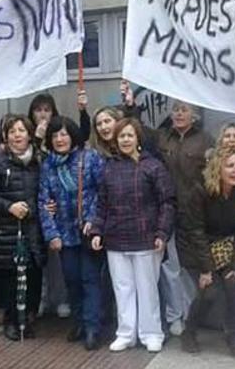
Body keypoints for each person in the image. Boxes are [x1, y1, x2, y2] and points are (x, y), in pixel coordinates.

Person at [89, 118, 176, 353]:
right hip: (115, 238)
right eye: (121, 136)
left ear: (138, 138)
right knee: (122, 287)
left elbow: (167, 202)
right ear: (115, 141)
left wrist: (162, 232)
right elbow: (102, 204)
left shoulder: (153, 166)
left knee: (147, 288)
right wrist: (97, 230)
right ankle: (126, 333)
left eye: (129, 135)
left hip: (147, 239)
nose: (125, 140)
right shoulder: (110, 168)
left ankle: (152, 333)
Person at [180, 148, 235, 359]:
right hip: (200, 249)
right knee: (210, 291)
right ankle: (189, 332)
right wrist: (206, 269)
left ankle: (233, 336)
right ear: (217, 169)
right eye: (229, 165)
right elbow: (195, 232)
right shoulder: (201, 191)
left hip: (229, 249)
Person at [38, 116, 105, 350]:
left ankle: (92, 328)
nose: (59, 139)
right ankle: (78, 322)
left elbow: (102, 192)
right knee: (72, 280)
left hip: (87, 231)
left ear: (73, 135)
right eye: (55, 135)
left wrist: (94, 221)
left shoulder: (90, 158)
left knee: (89, 279)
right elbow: (43, 200)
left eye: (64, 134)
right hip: (64, 235)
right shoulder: (48, 165)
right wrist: (51, 234)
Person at [0, 115, 45, 341]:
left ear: (30, 134)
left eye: (21, 130)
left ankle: (27, 317)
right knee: (9, 277)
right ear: (6, 137)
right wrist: (9, 207)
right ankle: (11, 320)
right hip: (7, 230)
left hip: (34, 229)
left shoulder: (39, 161)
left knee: (32, 274)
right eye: (12, 131)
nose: (17, 135)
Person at [160, 100, 213, 336]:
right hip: (169, 211)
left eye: (184, 110)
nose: (179, 114)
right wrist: (130, 106)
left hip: (195, 212)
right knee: (172, 268)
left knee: (194, 266)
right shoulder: (163, 138)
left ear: (194, 115)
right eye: (175, 110)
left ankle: (194, 314)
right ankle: (175, 316)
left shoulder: (205, 140)